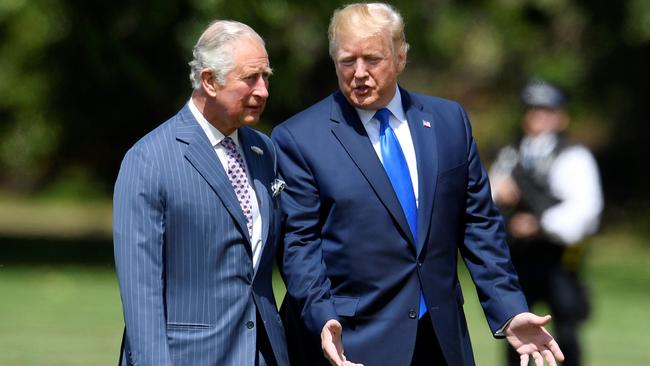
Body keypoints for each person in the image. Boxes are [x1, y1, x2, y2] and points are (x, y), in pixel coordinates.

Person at [272, 3, 565, 366]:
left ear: (400, 57)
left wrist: (509, 309)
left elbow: (479, 226)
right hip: (353, 343)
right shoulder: (300, 137)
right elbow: (299, 244)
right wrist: (321, 317)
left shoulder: (448, 121)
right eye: (347, 61)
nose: (359, 73)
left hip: (441, 339)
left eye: (372, 59)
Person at [113, 20, 289, 366]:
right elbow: (140, 293)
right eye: (250, 78)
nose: (264, 90)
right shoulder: (149, 159)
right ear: (209, 81)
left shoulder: (263, 151)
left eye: (266, 76)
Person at [490, 79, 603, 366]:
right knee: (515, 327)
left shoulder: (573, 156)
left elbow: (585, 210)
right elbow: (488, 194)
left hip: (558, 258)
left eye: (545, 110)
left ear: (560, 116)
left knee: (566, 328)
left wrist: (539, 223)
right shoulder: (512, 153)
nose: (536, 117)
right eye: (532, 110)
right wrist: (499, 192)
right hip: (519, 257)